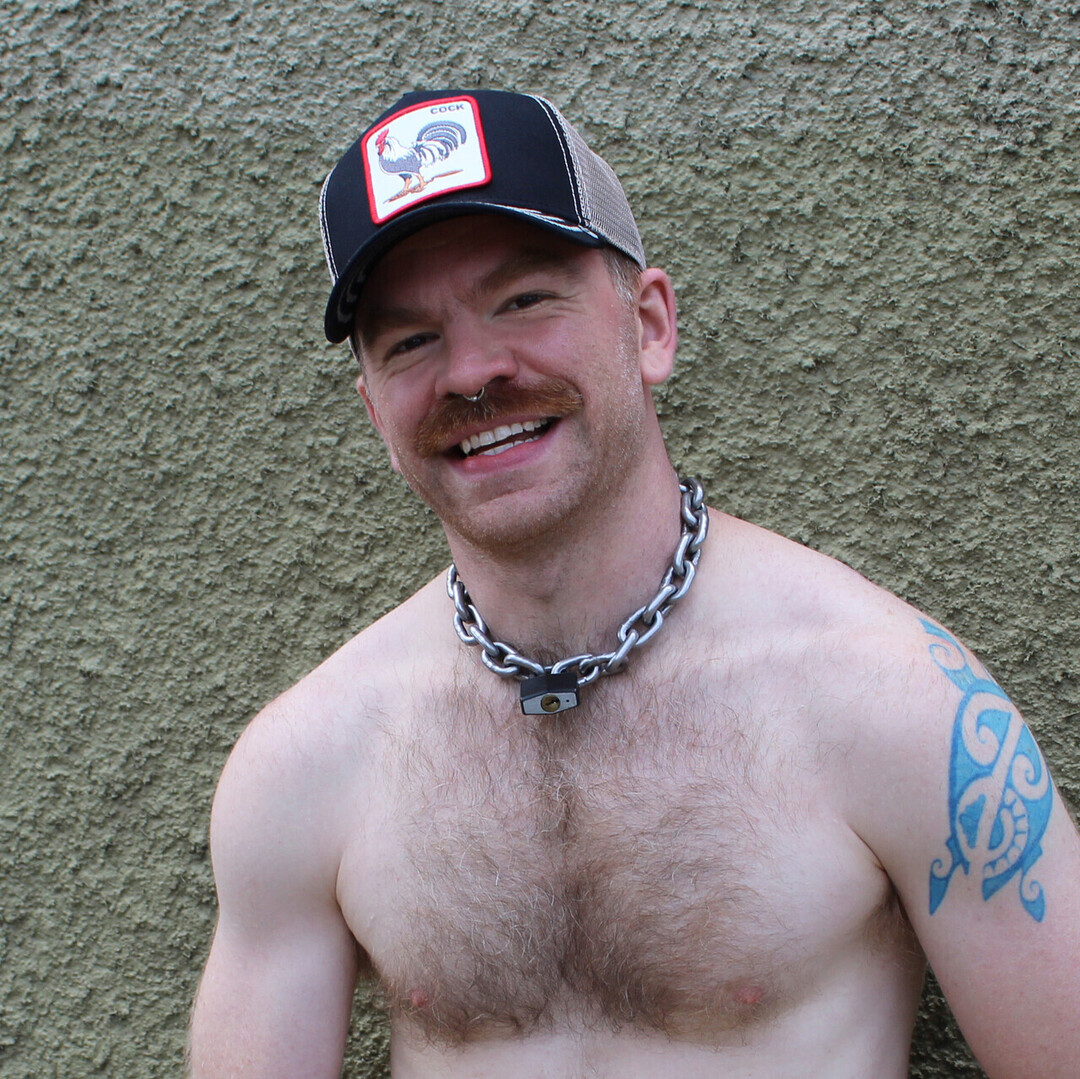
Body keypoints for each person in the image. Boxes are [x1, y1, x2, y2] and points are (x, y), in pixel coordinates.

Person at [188, 89, 1080, 1079]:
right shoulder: (308, 764)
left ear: (650, 325)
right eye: (410, 341)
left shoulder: (895, 701)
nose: (472, 372)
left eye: (525, 300)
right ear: (375, 412)